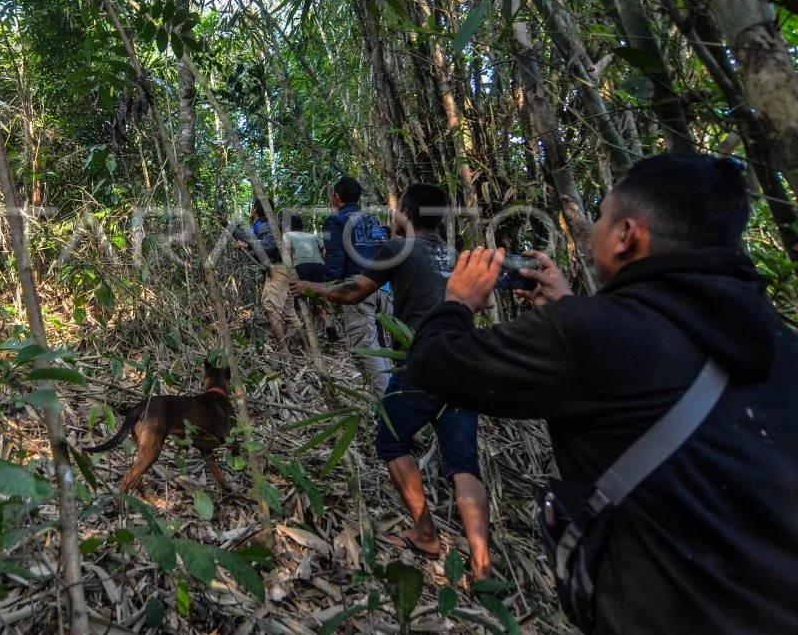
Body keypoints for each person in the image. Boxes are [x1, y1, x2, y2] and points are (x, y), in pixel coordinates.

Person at [408, 153, 798, 634]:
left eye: (601, 216)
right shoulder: (781, 345)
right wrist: (572, 308)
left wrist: (459, 302)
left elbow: (434, 363)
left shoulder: (589, 337)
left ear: (626, 235)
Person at [292, 183, 492, 579]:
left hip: (424, 361)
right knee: (464, 464)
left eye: (397, 208)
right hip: (463, 364)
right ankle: (483, 565)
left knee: (390, 438)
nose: (392, 213)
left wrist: (312, 287)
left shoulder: (398, 248)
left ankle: (425, 532)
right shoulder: (452, 254)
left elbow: (354, 291)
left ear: (408, 212)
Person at [316, 176, 393, 393]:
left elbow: (335, 258)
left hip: (358, 287)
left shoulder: (336, 221)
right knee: (381, 345)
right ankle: (392, 395)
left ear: (336, 197)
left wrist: (327, 287)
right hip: (383, 287)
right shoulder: (371, 219)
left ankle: (386, 405)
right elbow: (383, 247)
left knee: (365, 347)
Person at [223, 199, 300, 348]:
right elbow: (248, 238)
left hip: (277, 270)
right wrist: (227, 225)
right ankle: (309, 349)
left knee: (270, 308)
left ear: (254, 210)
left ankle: (284, 353)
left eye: (251, 208)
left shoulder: (264, 225)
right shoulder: (261, 226)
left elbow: (269, 244)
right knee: (289, 313)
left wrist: (248, 245)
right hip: (284, 270)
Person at [282, 213, 336, 339]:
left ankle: (306, 330)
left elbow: (287, 251)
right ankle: (328, 323)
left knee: (299, 298)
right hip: (319, 265)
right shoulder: (313, 236)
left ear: (288, 226)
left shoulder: (287, 235)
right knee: (319, 296)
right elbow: (324, 250)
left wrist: (289, 269)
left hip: (301, 265)